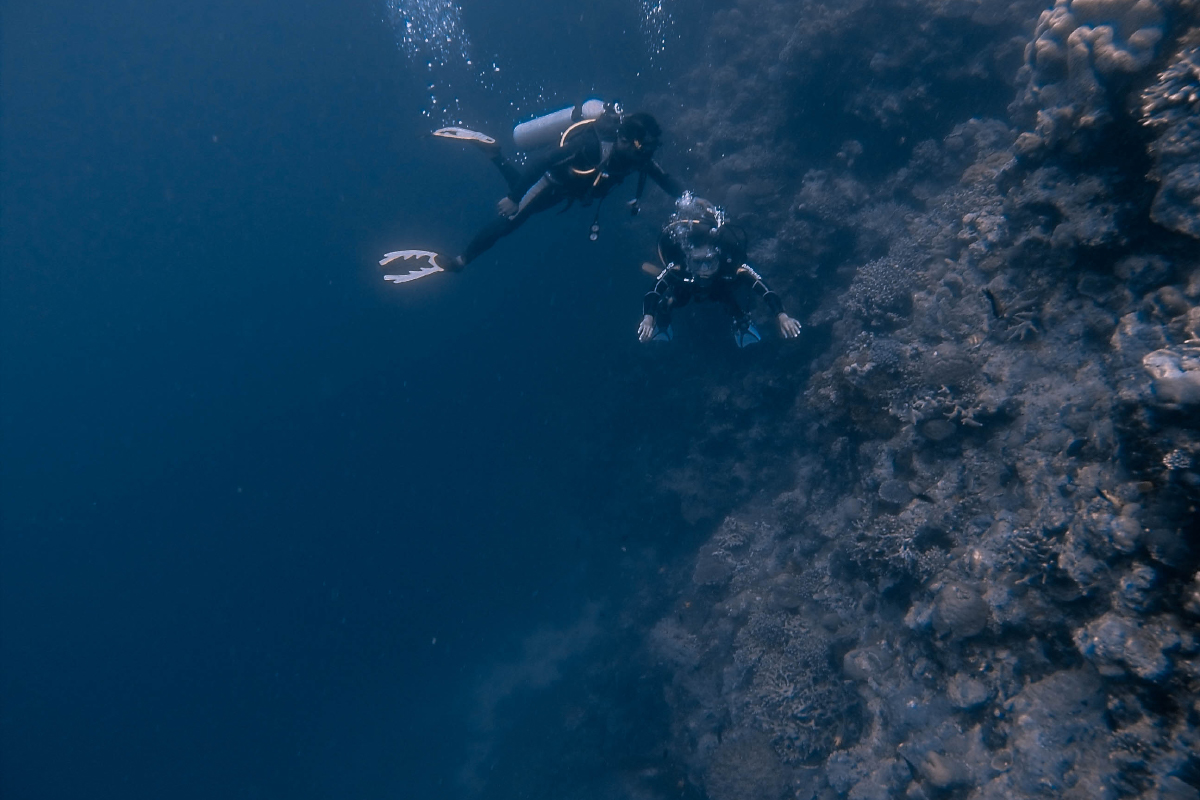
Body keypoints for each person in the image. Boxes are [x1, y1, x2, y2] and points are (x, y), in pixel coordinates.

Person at [441, 105, 685, 270]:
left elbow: (663, 178)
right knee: (512, 220)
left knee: (527, 206)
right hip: (552, 183)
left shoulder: (637, 155)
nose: (646, 156)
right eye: (642, 149)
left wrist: (689, 200)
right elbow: (543, 161)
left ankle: (495, 155)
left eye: (649, 150)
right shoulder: (590, 145)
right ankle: (462, 261)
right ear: (623, 140)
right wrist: (514, 197)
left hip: (567, 191)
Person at [638, 195, 802, 347]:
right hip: (686, 288)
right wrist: (648, 318)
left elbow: (762, 287)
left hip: (720, 287)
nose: (704, 269)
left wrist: (781, 315)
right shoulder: (679, 267)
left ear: (718, 256)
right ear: (688, 259)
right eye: (698, 262)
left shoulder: (730, 265)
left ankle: (741, 323)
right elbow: (654, 290)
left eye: (709, 262)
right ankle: (664, 324)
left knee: (729, 300)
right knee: (668, 302)